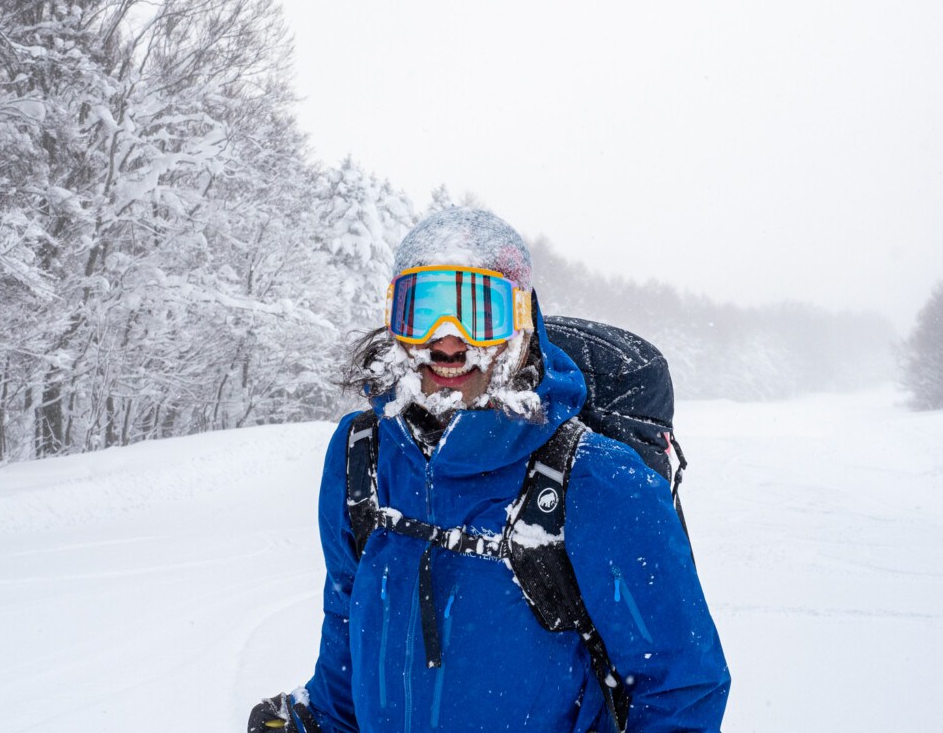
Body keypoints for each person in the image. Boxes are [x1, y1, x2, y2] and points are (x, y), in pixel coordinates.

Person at [249, 208, 729, 732]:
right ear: (396, 319)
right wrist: (320, 719)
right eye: (423, 308)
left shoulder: (597, 478)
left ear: (521, 320)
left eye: (479, 312)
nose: (448, 341)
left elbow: (680, 688)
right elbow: (347, 621)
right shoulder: (359, 452)